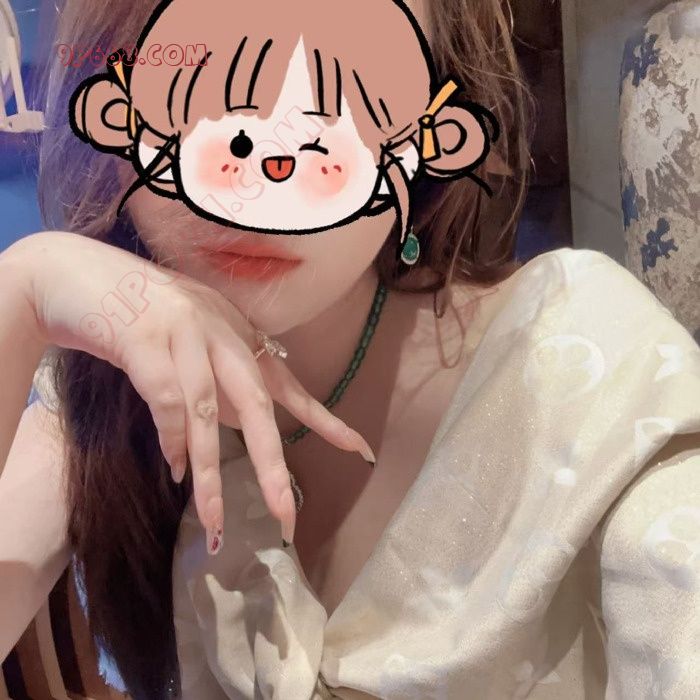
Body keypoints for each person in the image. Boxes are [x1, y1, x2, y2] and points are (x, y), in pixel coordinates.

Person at [1, 2, 699, 700]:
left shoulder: (591, 376)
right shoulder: (104, 392)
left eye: (344, 97)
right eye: (197, 85)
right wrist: (23, 292)